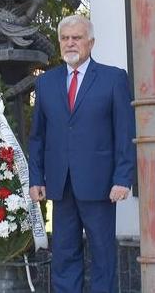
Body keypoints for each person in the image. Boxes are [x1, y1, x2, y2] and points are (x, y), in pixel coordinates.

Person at [28, 15, 136, 293]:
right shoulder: (46, 83)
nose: (70, 43)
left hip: (100, 185)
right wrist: (36, 178)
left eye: (76, 38)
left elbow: (124, 134)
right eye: (65, 38)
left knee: (102, 256)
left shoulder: (113, 79)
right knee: (64, 255)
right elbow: (38, 135)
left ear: (91, 42)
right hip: (60, 185)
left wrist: (123, 178)